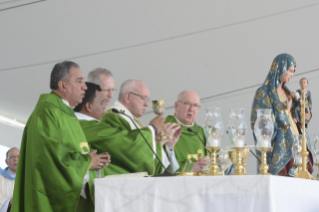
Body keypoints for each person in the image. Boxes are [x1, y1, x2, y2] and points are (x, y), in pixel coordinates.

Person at [11, 61, 109, 212]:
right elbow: (50, 161)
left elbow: (73, 152)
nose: (84, 86)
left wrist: (97, 161)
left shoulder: (66, 114)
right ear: (63, 86)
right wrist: (87, 162)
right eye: (79, 81)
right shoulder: (46, 113)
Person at [250, 53, 313, 176]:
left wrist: (303, 113)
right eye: (290, 71)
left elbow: (297, 115)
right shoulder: (263, 92)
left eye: (293, 71)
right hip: (278, 141)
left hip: (295, 138)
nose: (292, 75)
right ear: (281, 68)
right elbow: (260, 122)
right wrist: (284, 115)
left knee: (304, 144)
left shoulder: (289, 92)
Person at [102, 79, 181, 175]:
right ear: (128, 97)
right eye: (143, 98)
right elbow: (129, 152)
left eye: (147, 100)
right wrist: (152, 129)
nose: (147, 104)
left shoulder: (133, 119)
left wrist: (162, 141)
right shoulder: (113, 116)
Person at [165, 91, 211, 173]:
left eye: (196, 105)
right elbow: (159, 165)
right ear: (176, 106)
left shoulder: (202, 132)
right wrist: (190, 167)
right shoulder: (164, 129)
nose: (191, 109)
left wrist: (209, 162)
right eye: (187, 104)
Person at [0, 148, 19, 212]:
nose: (16, 159)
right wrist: (9, 202)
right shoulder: (1, 178)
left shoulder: (28, 178)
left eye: (18, 156)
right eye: (12, 157)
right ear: (6, 162)